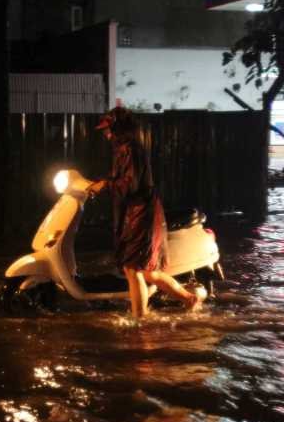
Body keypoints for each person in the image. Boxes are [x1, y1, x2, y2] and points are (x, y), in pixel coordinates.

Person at [87, 107, 204, 318]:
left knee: (133, 269)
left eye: (108, 129)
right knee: (149, 271)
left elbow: (130, 184)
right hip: (136, 214)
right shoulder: (125, 149)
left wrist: (105, 185)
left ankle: (139, 321)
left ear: (118, 128)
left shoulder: (131, 149)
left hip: (141, 215)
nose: (106, 134)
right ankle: (189, 299)